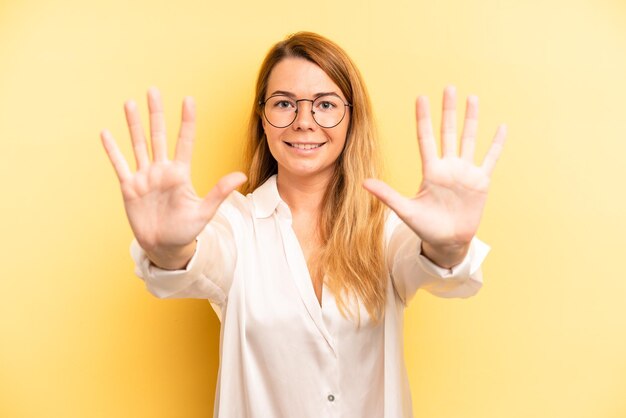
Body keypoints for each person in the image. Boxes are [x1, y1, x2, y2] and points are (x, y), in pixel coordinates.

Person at [101, 32, 506, 418]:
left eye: (325, 104)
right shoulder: (236, 225)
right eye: (284, 103)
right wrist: (169, 249)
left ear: (352, 118)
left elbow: (434, 267)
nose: (304, 121)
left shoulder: (385, 228)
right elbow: (197, 260)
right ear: (262, 117)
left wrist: (449, 246)